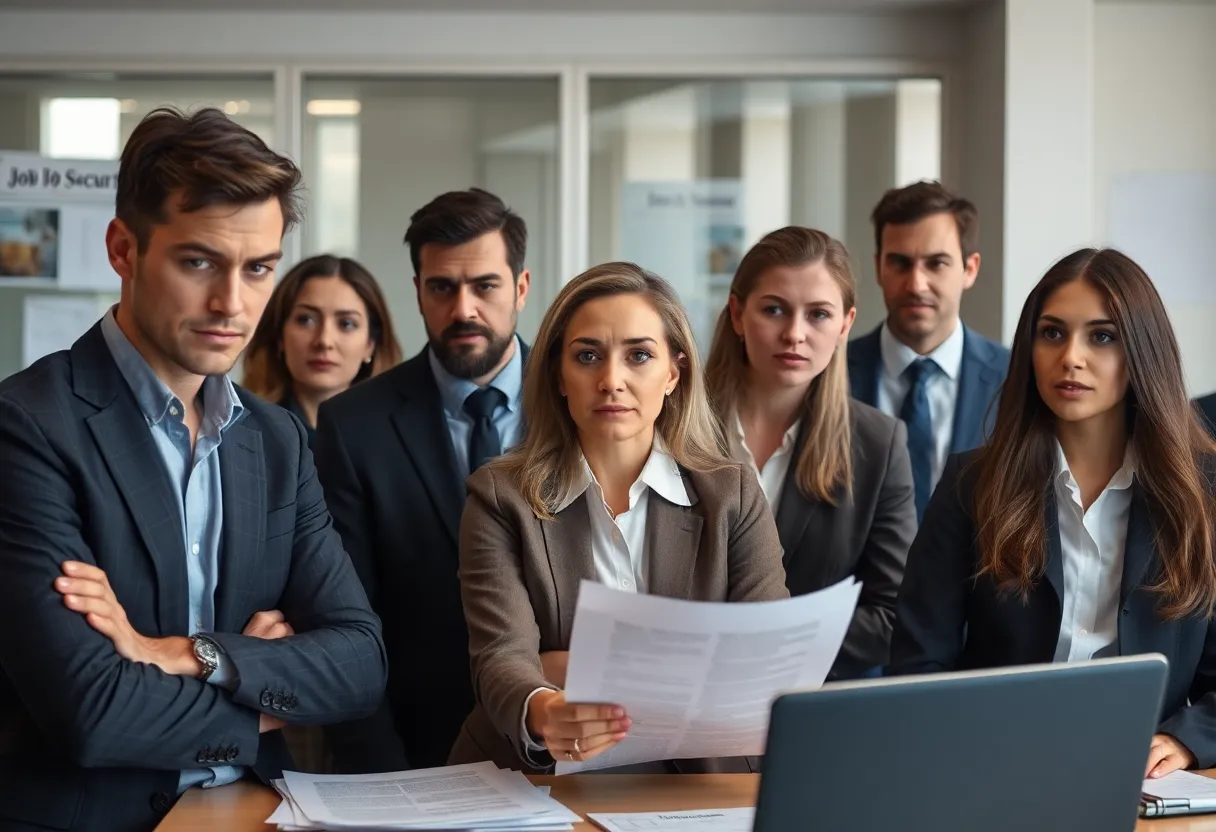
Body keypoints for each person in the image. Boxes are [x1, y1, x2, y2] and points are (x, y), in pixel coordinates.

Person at [0, 106, 387, 831]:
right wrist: (263, 708)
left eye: (258, 268)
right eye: (199, 262)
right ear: (124, 249)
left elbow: (359, 663)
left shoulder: (274, 439)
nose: (231, 303)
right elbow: (94, 711)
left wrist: (189, 654)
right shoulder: (26, 427)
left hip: (256, 814)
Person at [447, 261, 789, 773]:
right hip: (537, 777)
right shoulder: (500, 498)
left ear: (674, 373)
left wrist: (573, 665)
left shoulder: (733, 494)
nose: (611, 380)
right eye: (587, 356)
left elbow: (761, 661)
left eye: (639, 356)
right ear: (559, 377)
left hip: (703, 776)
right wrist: (546, 705)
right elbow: (502, 658)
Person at [888, 248, 1216, 779]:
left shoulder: (1203, 491)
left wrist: (1184, 740)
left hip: (1143, 770)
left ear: (1143, 352)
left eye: (1102, 336)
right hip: (999, 763)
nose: (1071, 358)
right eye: (1052, 333)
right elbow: (919, 662)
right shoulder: (971, 484)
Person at [315, 188, 531, 772]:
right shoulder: (352, 426)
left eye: (484, 285)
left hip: (573, 749)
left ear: (521, 287)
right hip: (413, 755)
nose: (464, 309)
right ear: (417, 292)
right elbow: (345, 619)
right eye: (442, 287)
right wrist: (379, 775)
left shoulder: (584, 403)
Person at [705, 227, 916, 679]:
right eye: (774, 309)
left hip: (812, 709)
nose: (794, 333)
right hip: (679, 694)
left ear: (845, 325)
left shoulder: (879, 445)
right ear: (738, 314)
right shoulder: (670, 428)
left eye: (818, 314)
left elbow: (893, 615)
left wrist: (766, 643)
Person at [847, 181, 1009, 521]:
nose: (916, 284)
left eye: (936, 264)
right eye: (901, 264)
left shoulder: (1015, 378)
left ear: (970, 269)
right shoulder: (832, 373)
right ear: (879, 267)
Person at [242, 254, 402, 449]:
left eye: (347, 324)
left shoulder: (398, 441)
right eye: (306, 320)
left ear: (371, 344)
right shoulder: (242, 433)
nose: (324, 341)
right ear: (279, 336)